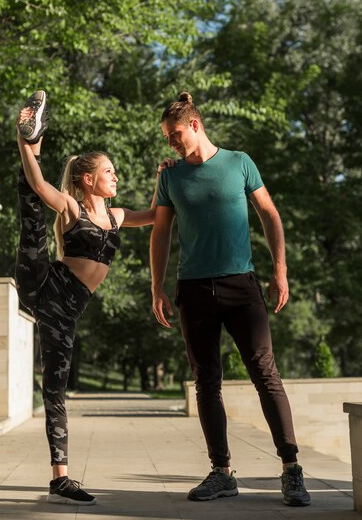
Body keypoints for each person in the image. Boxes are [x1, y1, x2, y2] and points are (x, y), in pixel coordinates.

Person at [150, 91, 311, 507]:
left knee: (265, 374)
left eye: (176, 134)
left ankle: (291, 470)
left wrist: (280, 270)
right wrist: (157, 286)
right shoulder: (170, 177)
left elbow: (270, 214)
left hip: (242, 285)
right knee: (207, 382)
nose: (172, 143)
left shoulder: (240, 162)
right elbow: (161, 232)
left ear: (196, 125)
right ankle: (221, 472)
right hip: (194, 289)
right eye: (167, 138)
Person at [15, 90, 167, 506]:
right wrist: (25, 147)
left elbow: (157, 215)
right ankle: (28, 138)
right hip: (45, 286)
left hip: (67, 311)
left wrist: (164, 176)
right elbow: (40, 184)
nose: (115, 177)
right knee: (32, 214)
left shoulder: (116, 217)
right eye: (109, 172)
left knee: (56, 386)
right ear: (88, 180)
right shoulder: (70, 207)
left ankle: (58, 480)